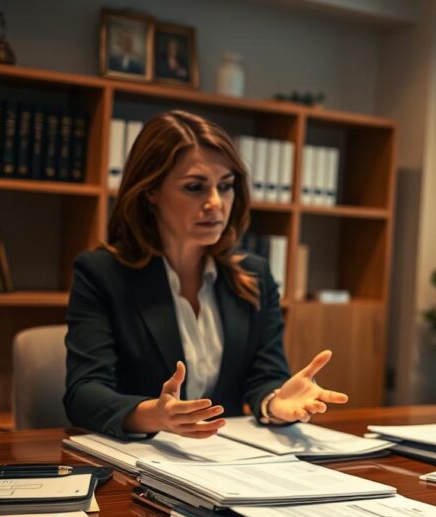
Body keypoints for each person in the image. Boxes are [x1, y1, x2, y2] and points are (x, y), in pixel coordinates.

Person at [65, 110, 347, 439]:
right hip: (142, 454)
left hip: (224, 454)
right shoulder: (101, 274)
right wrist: (154, 415)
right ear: (151, 191)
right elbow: (83, 393)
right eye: (195, 187)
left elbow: (265, 377)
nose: (215, 203)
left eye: (225, 186)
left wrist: (275, 403)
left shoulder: (254, 275)